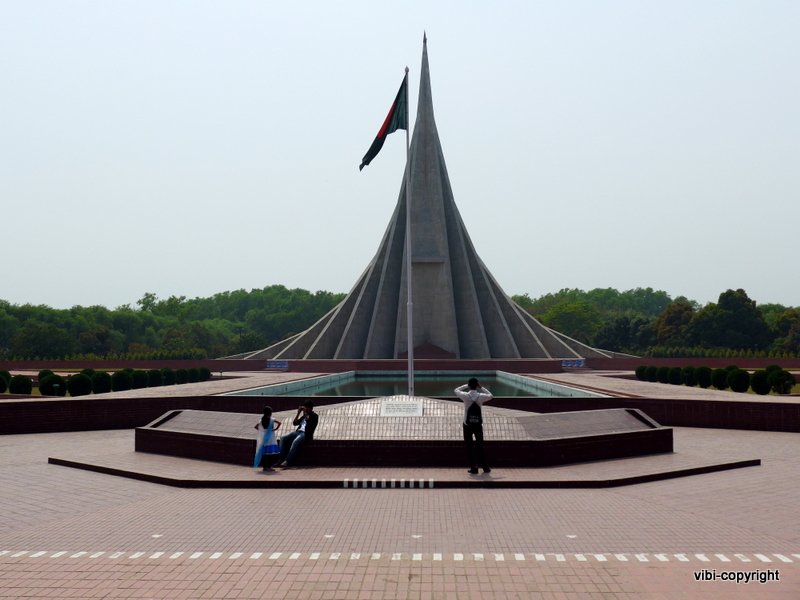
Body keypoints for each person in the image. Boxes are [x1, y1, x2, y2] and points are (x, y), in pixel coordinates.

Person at [454, 377, 493, 475]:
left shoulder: (465, 396)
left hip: (467, 424)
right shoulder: (481, 396)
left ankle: (473, 468)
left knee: (469, 447)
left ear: (469, 385)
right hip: (478, 424)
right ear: (477, 385)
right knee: (480, 446)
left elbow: (456, 390)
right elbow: (491, 396)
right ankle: (485, 467)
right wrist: (481, 387)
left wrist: (465, 386)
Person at [273, 400, 318, 469]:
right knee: (283, 438)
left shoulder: (315, 416)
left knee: (295, 441)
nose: (305, 409)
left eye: (306, 408)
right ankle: (281, 459)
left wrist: (305, 415)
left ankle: (287, 461)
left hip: (306, 434)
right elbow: (295, 423)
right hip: (298, 432)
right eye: (305, 407)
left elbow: (310, 426)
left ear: (311, 408)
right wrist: (298, 413)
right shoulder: (304, 416)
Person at [253, 406, 281, 471]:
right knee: (270, 453)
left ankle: (265, 467)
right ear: (270, 413)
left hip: (264, 438)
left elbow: (256, 427)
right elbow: (279, 423)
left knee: (265, 453)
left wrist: (262, 431)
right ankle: (269, 467)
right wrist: (275, 429)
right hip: (271, 438)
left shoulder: (261, 420)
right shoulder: (272, 419)